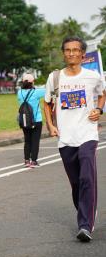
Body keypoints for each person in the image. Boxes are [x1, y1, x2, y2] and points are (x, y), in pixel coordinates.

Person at [43, 36, 105, 242]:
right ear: (63, 53)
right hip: (65, 138)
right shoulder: (55, 78)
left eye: (75, 50)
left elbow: (102, 94)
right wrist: (51, 125)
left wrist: (98, 109)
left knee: (87, 177)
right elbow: (47, 103)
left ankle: (85, 225)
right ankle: (87, 209)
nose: (71, 53)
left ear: (82, 54)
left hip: (87, 134)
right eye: (67, 50)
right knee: (77, 183)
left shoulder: (92, 76)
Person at [17, 73, 46, 167]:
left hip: (24, 119)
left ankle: (26, 160)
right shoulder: (36, 92)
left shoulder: (19, 92)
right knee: (35, 141)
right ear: (32, 82)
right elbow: (48, 90)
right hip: (36, 120)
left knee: (27, 140)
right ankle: (34, 160)